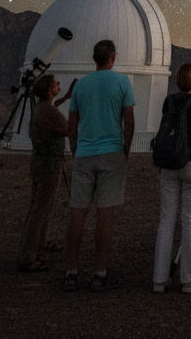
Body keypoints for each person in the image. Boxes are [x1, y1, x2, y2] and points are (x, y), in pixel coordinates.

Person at [62, 39, 136, 291]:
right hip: (111, 152)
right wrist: (125, 149)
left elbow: (72, 124)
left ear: (94, 58)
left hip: (84, 153)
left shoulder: (81, 86)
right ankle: (99, 273)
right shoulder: (122, 82)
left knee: (78, 211)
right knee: (105, 213)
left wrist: (75, 149)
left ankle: (71, 272)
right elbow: (129, 120)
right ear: (113, 57)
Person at [152, 62, 191, 294]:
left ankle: (159, 280)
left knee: (166, 220)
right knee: (190, 220)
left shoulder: (168, 101)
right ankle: (189, 279)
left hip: (167, 164)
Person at [17, 74, 73, 271]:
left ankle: (38, 245)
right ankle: (28, 257)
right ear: (49, 89)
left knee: (40, 207)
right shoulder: (48, 112)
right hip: (50, 164)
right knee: (40, 209)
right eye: (56, 84)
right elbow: (67, 128)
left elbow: (52, 109)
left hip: (40, 162)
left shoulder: (41, 108)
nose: (59, 84)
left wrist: (65, 98)